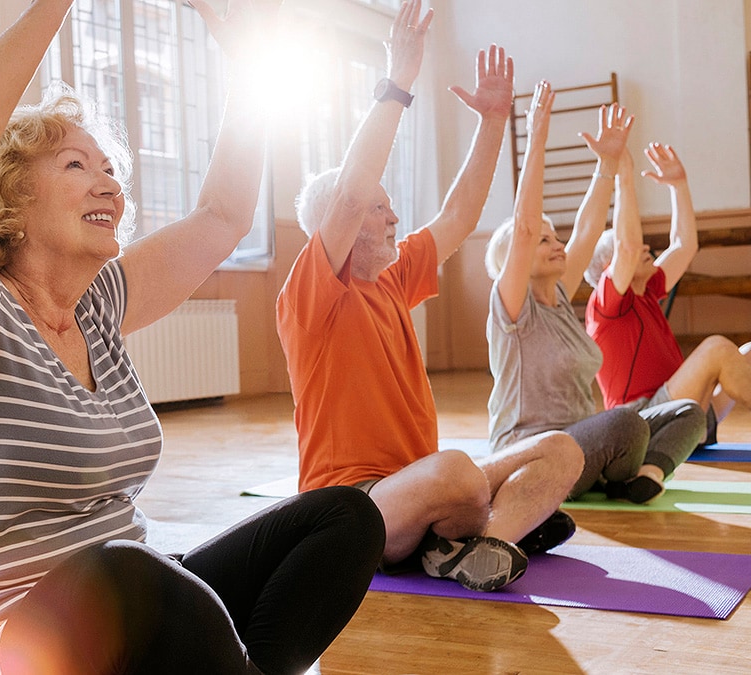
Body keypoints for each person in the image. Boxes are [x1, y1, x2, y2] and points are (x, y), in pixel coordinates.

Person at [0, 0, 386, 672]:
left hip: (125, 617)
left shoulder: (100, 304)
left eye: (112, 171)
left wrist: (247, 64)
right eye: (77, 165)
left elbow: (223, 215)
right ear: (12, 194)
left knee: (345, 520)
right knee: (126, 575)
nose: (109, 184)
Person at [277, 0, 582, 595]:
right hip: (354, 507)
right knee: (459, 475)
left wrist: (495, 120)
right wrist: (398, 83)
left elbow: (458, 215)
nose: (392, 215)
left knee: (558, 451)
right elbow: (348, 192)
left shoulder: (393, 276)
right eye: (376, 207)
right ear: (337, 227)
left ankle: (481, 543)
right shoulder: (311, 293)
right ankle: (475, 533)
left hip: (421, 483)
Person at [484, 86, 652, 504]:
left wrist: (607, 166)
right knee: (625, 424)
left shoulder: (558, 296)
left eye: (554, 236)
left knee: (680, 411)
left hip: (578, 440)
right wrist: (537, 135)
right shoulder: (511, 309)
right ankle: (605, 477)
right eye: (543, 241)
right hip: (529, 452)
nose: (557, 244)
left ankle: (633, 474)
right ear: (518, 258)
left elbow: (588, 229)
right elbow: (523, 226)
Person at [584, 142, 751, 500]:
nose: (646, 247)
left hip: (685, 414)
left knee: (749, 352)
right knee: (718, 349)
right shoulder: (606, 305)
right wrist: (623, 176)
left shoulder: (648, 290)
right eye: (633, 245)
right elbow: (628, 247)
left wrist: (678, 185)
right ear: (608, 269)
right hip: (642, 421)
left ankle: (697, 431)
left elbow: (683, 244)